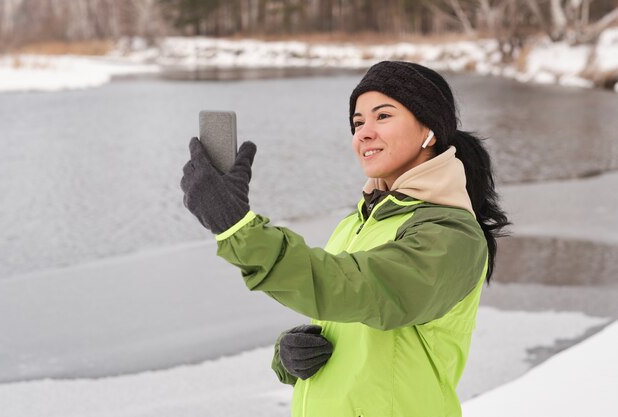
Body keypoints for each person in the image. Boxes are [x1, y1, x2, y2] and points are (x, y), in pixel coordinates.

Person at [180, 60, 510, 417]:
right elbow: (341, 308)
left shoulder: (450, 235)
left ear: (429, 128)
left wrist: (237, 228)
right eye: (358, 122)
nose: (364, 132)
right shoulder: (359, 221)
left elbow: (356, 289)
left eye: (383, 116)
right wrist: (291, 356)